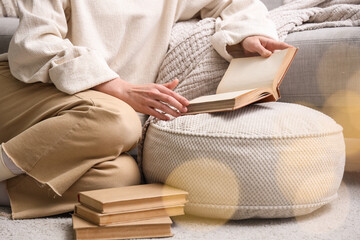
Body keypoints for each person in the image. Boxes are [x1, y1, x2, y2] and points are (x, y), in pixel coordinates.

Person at [0, 0, 290, 219]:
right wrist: (119, 88)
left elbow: (235, 3)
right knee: (120, 121)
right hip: (25, 91)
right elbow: (33, 45)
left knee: (122, 178)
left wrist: (247, 36)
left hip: (94, 117)